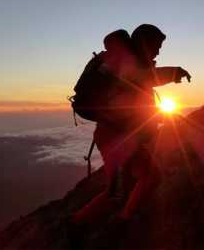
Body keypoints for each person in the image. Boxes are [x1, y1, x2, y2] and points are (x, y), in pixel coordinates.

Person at [72, 24, 191, 226]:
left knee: (149, 176)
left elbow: (133, 102)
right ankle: (77, 225)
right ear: (144, 43)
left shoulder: (126, 61)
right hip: (115, 138)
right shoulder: (126, 61)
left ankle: (123, 219)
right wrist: (174, 72)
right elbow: (138, 79)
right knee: (118, 190)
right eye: (156, 45)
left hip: (119, 135)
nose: (158, 51)